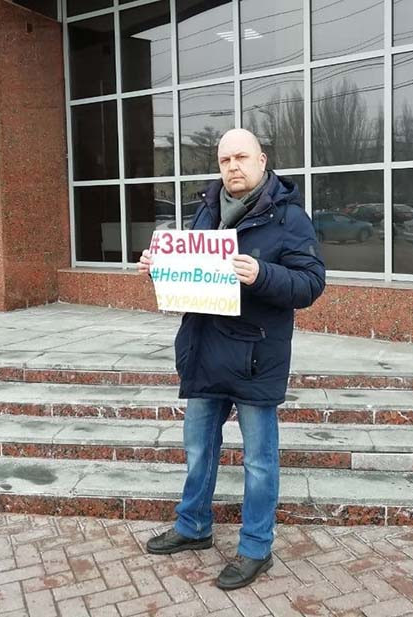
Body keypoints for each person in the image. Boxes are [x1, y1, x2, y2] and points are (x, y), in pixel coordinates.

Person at [137, 128, 326, 590]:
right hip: (205, 350)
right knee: (198, 448)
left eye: (241, 157)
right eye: (225, 160)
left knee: (259, 460)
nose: (233, 167)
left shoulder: (289, 217)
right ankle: (193, 525)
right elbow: (195, 277)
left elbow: (311, 283)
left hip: (255, 355)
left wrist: (262, 274)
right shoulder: (207, 209)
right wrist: (161, 270)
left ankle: (256, 548)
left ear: (262, 160)